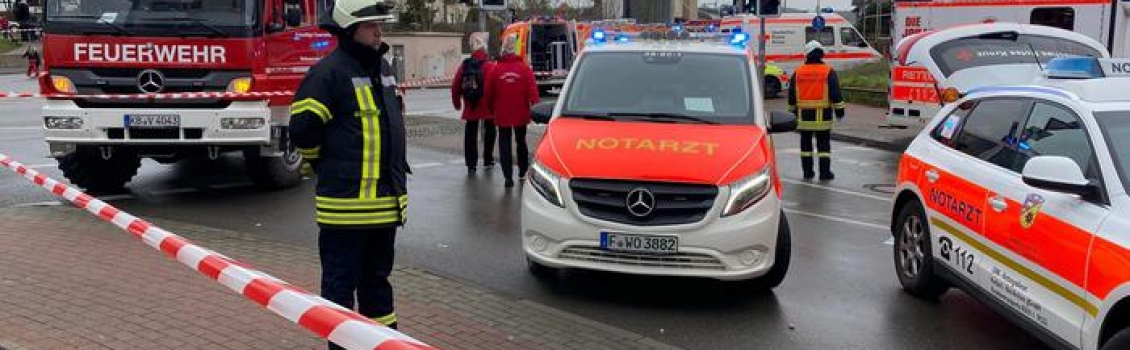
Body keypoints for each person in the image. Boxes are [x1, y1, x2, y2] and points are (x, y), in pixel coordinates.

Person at [287, 1, 408, 348]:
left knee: (378, 289)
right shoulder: (328, 73)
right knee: (339, 292)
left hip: (385, 208)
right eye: (371, 26)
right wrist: (323, 164)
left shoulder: (382, 68)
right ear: (349, 29)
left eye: (379, 25)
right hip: (346, 212)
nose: (379, 32)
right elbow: (303, 131)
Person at [484, 34, 539, 188]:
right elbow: (532, 91)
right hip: (521, 112)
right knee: (521, 141)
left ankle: (508, 177)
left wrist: (491, 109)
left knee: (504, 143)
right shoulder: (524, 69)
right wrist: (535, 110)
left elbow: (488, 93)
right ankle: (522, 170)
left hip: (502, 113)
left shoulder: (495, 70)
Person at [787, 40, 845, 181]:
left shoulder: (798, 72)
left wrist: (792, 113)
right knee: (823, 147)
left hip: (804, 118)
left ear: (807, 55)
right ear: (821, 54)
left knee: (806, 147)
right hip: (823, 117)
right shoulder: (828, 71)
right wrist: (839, 112)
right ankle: (824, 173)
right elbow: (835, 93)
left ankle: (808, 172)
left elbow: (791, 95)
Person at [451, 34, 497, 174]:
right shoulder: (490, 65)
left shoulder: (465, 65)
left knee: (470, 132)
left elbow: (455, 85)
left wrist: (457, 102)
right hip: (488, 105)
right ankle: (488, 159)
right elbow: (496, 86)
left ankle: (471, 163)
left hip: (471, 104)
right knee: (490, 130)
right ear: (485, 49)